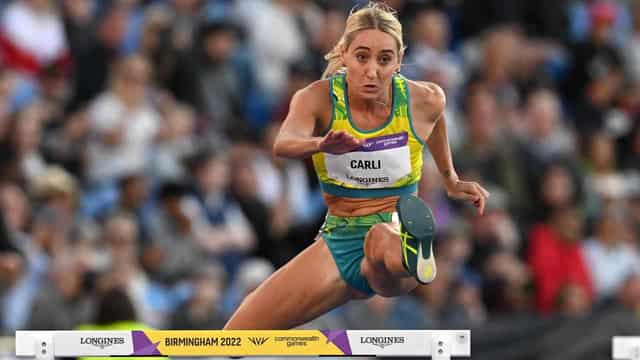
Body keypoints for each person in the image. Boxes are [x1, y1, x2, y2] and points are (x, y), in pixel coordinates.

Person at [224, 2, 489, 330]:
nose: (372, 70)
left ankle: (411, 251)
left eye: (384, 59)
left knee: (378, 247)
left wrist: (450, 178)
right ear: (344, 53)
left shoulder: (424, 99)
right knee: (235, 335)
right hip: (337, 241)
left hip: (393, 231)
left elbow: (434, 121)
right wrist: (320, 144)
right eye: (362, 57)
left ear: (400, 60)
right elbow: (283, 143)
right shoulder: (318, 98)